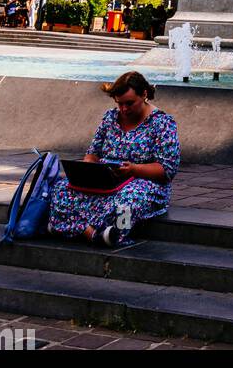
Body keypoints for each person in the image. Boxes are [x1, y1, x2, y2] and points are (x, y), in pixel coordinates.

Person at [48, 71, 180, 248]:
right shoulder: (110, 117)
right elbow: (93, 153)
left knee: (127, 202)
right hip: (105, 180)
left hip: (142, 182)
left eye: (129, 103)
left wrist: (134, 169)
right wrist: (87, 169)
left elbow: (166, 171)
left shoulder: (162, 123)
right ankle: (92, 232)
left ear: (144, 95)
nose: (124, 109)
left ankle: (82, 227)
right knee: (61, 188)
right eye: (119, 104)